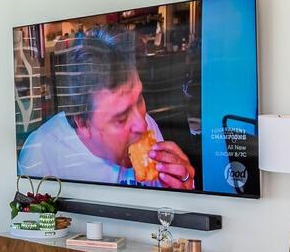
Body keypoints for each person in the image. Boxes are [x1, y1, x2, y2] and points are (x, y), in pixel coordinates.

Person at [19, 29, 196, 189]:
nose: (142, 125)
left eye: (139, 100)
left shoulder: (147, 124)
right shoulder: (42, 157)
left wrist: (183, 192)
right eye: (121, 118)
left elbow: (164, 208)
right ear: (83, 123)